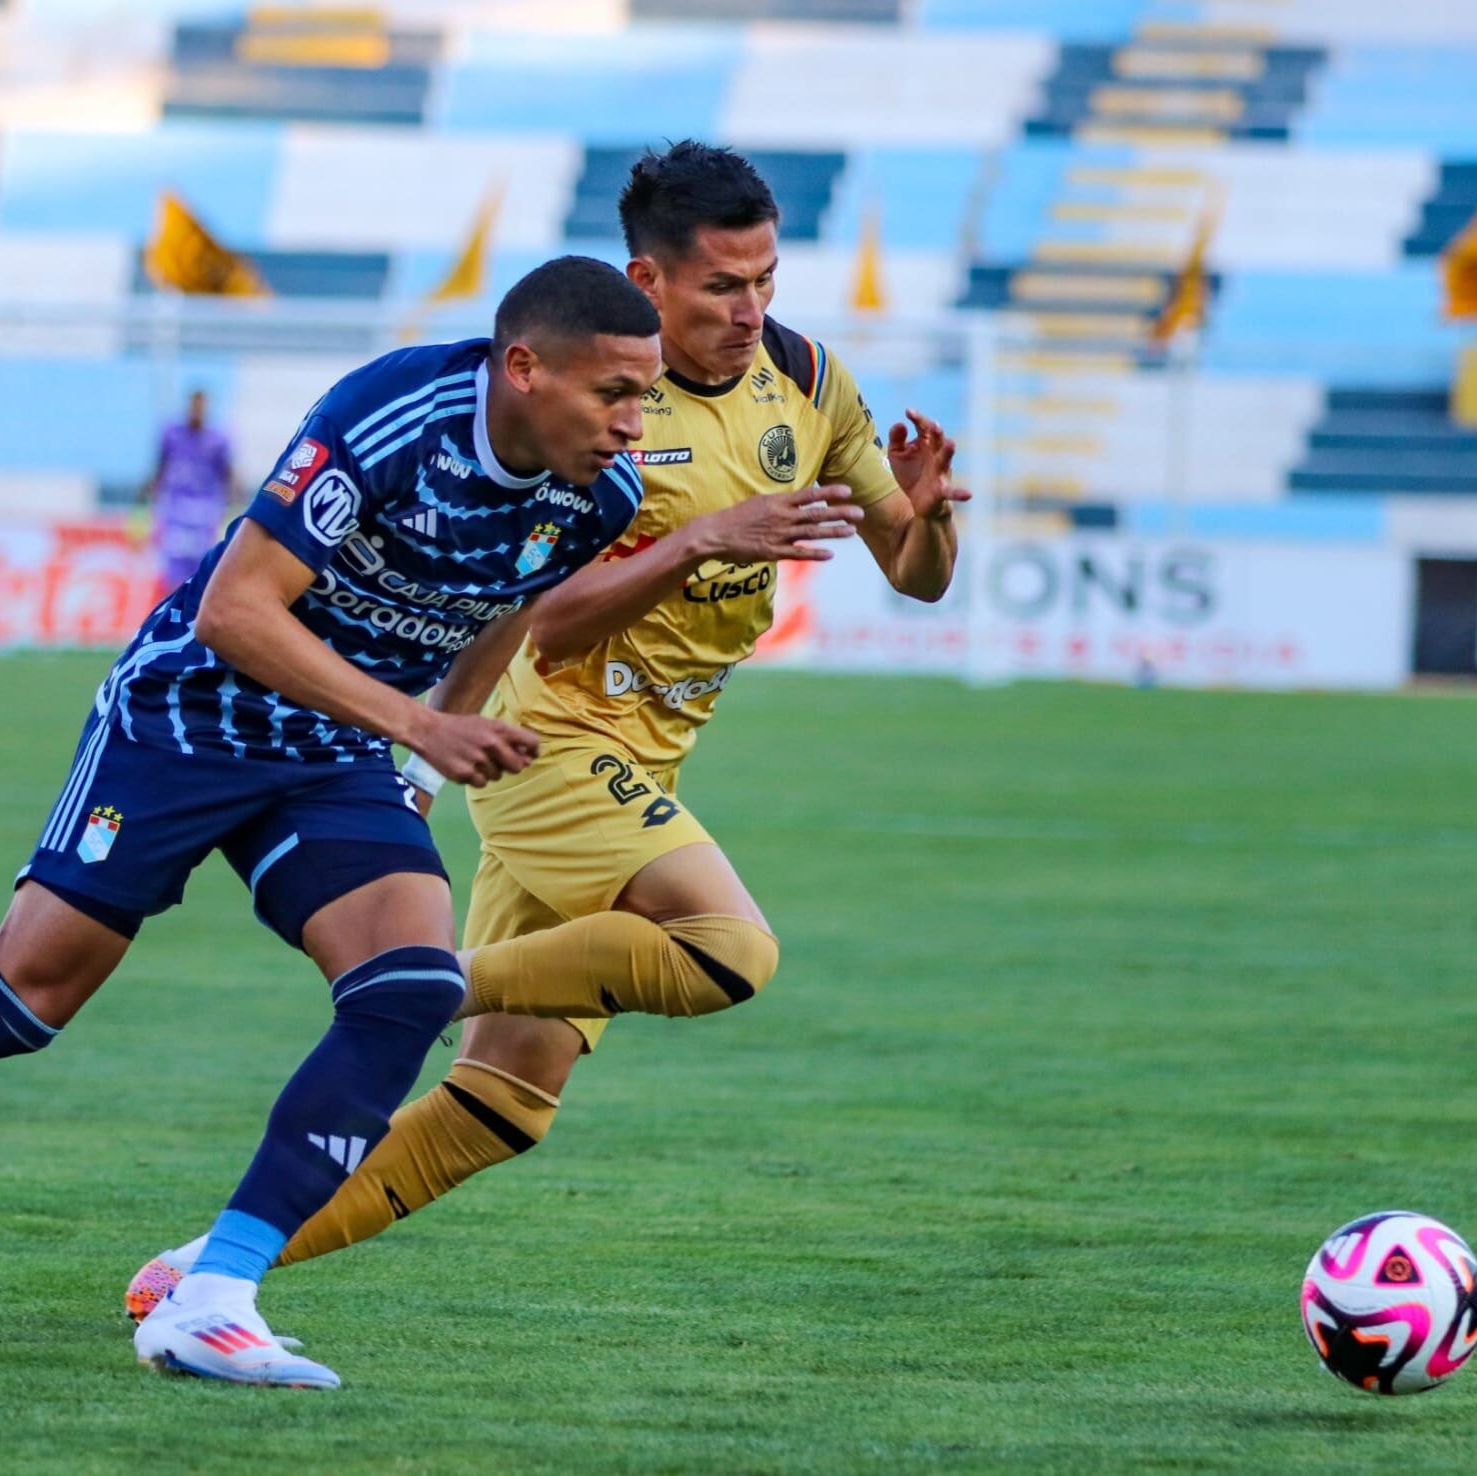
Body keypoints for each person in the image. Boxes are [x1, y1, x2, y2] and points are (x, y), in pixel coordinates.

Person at [128, 142, 967, 1303]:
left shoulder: (809, 380)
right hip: (554, 739)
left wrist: (923, 522)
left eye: (767, 278)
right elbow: (543, 623)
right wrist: (697, 540)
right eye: (723, 286)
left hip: (650, 751)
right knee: (730, 952)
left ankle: (197, 1274)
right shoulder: (591, 406)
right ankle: (419, 982)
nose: (751, 309)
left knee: (500, 1108)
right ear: (649, 279)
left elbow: (917, 575)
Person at [0, 255, 663, 1389]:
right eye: (614, 394)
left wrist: (420, 767)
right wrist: (415, 723)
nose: (633, 424)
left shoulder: (600, 497)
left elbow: (502, 610)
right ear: (525, 368)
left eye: (645, 395)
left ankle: (213, 1295)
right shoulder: (391, 416)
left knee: (410, 986)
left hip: (335, 752)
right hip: (188, 717)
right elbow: (234, 608)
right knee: (24, 999)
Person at [143, 389, 236, 597]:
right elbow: (161, 465)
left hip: (205, 512)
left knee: (201, 567)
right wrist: (148, 497)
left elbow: (228, 474)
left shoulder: (218, 440)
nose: (197, 411)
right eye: (194, 405)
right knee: (172, 567)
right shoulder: (171, 434)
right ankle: (170, 611)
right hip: (175, 510)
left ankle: (194, 612)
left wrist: (233, 507)